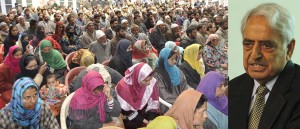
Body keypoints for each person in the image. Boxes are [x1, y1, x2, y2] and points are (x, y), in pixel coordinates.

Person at [229, 3, 300, 129]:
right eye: (248, 44)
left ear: (289, 49)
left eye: (266, 45)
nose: (255, 54)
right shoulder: (233, 87)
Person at [116, 63, 159, 129]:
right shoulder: (123, 87)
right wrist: (145, 121)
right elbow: (126, 110)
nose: (149, 83)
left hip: (144, 112)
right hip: (128, 115)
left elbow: (153, 103)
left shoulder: (151, 83)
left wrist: (151, 120)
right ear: (138, 78)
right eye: (146, 81)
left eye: (150, 80)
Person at [153, 48, 189, 114]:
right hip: (168, 105)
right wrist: (180, 103)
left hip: (181, 101)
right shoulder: (157, 75)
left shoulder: (177, 70)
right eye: (172, 59)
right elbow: (164, 96)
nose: (175, 61)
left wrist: (185, 99)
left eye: (175, 58)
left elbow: (184, 86)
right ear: (164, 59)